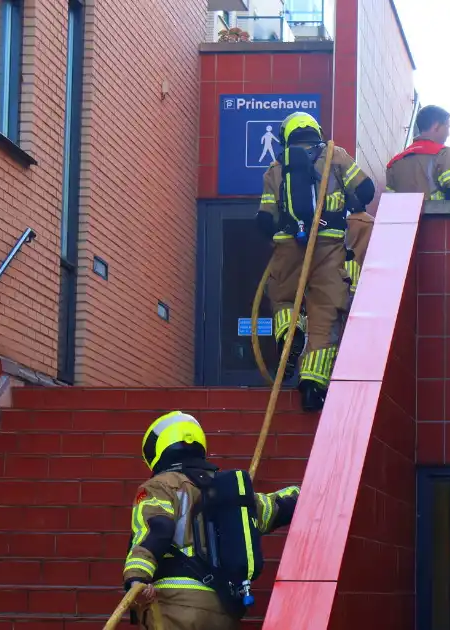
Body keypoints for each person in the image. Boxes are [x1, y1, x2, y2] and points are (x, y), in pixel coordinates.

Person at [123, 411, 301, 630]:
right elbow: (273, 508)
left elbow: (157, 529)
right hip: (223, 608)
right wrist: (307, 492)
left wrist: (136, 577)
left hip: (175, 605)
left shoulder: (159, 486)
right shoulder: (229, 489)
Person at [257, 111, 375, 411]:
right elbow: (365, 190)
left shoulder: (275, 167)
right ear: (315, 131)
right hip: (328, 243)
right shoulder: (336, 155)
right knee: (325, 312)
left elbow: (264, 218)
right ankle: (312, 383)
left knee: (284, 298)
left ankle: (290, 332)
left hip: (288, 246)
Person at [385, 105, 450, 200]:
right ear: (436, 126)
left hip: (403, 215)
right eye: (447, 127)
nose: (448, 133)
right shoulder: (445, 155)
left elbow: (390, 202)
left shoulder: (394, 163)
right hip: (437, 214)